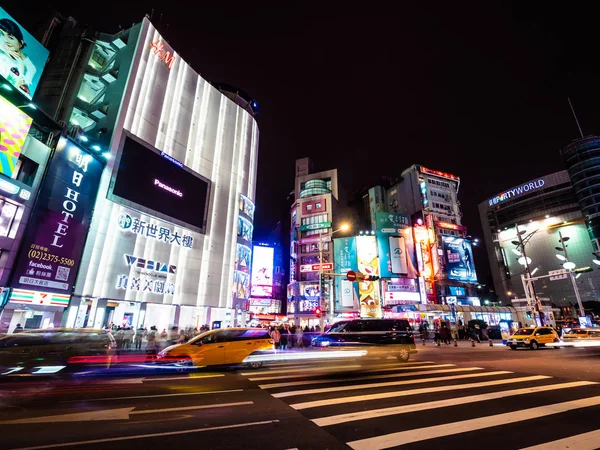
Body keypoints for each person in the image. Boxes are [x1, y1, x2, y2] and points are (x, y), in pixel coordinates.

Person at [0, 18, 36, 95]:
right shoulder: (2, 48)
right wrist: (3, 49)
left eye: (10, 37)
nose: (5, 40)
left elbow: (18, 86)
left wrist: (20, 62)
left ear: (21, 43)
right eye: (2, 34)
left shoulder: (28, 66)